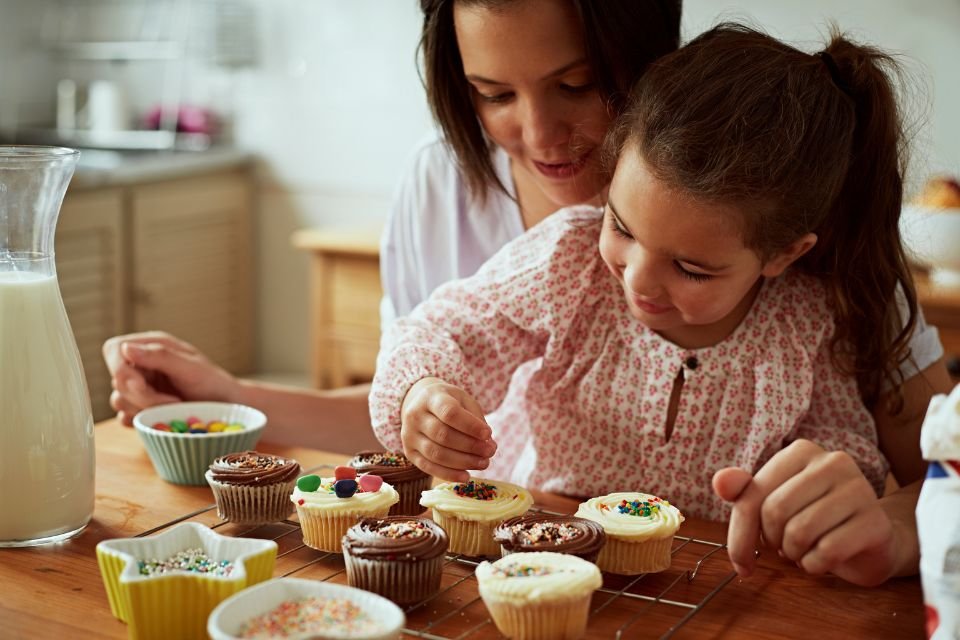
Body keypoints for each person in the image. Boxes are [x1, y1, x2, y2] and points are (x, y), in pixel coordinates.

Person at [369, 23, 954, 587]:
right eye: (621, 226)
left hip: (716, 588)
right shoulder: (566, 260)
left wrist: (831, 511)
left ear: (781, 254)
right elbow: (446, 329)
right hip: (532, 561)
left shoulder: (812, 325)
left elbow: (859, 457)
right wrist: (423, 392)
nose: (639, 281)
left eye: (692, 268)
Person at [101, 0, 683, 452]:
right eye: (495, 94)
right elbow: (399, 413)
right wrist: (232, 398)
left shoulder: (717, 193)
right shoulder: (439, 181)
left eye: (575, 85)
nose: (538, 135)